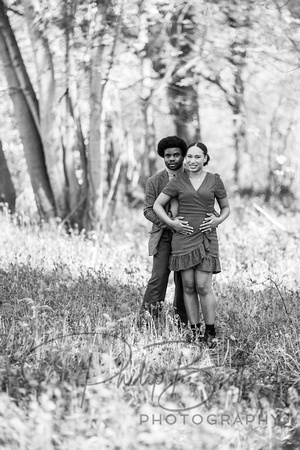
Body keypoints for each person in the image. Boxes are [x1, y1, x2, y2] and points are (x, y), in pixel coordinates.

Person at [153, 142, 230, 347]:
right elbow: (157, 205)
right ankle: (194, 331)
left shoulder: (214, 180)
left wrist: (217, 220)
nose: (192, 161)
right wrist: (171, 223)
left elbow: (225, 208)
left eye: (197, 157)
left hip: (206, 236)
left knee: (204, 286)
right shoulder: (178, 180)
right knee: (188, 286)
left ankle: (210, 332)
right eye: (189, 157)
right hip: (183, 237)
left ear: (205, 158)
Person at [141, 136, 194, 326]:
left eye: (176, 155)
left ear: (183, 156)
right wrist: (169, 223)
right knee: (158, 278)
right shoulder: (155, 181)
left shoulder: (193, 177)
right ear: (163, 157)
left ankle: (182, 322)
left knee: (184, 281)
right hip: (163, 236)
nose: (172, 159)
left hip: (187, 237)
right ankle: (147, 321)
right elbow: (148, 209)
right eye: (168, 155)